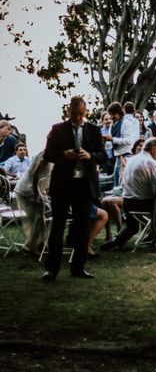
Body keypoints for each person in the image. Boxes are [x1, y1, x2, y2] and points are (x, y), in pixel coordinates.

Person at [41, 96, 106, 281]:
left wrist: (90, 155)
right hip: (62, 184)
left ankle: (78, 267)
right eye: (75, 114)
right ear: (69, 111)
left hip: (84, 185)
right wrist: (63, 154)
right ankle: (51, 269)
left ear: (86, 112)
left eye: (81, 114)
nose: (78, 118)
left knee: (82, 228)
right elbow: (47, 154)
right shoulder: (58, 129)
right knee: (58, 227)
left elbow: (103, 155)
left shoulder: (94, 130)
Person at [101, 138, 156, 250]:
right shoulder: (150, 162)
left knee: (132, 227)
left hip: (127, 202)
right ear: (153, 149)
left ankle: (116, 241)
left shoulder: (132, 159)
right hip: (142, 203)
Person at [14, 151, 52, 254]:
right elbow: (36, 174)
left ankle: (41, 243)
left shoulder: (52, 154)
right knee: (37, 219)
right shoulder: (46, 155)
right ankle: (31, 247)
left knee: (44, 217)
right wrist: (36, 195)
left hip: (37, 189)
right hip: (28, 189)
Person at [104, 102, 138, 187]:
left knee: (122, 183)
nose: (112, 117)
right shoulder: (112, 125)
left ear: (119, 113)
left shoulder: (126, 123)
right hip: (117, 156)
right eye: (111, 114)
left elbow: (129, 141)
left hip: (126, 156)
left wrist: (112, 139)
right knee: (116, 180)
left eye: (114, 114)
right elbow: (110, 143)